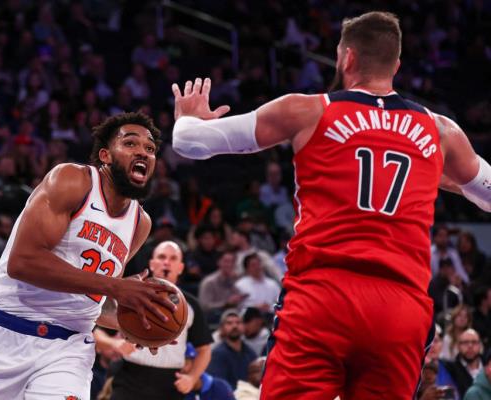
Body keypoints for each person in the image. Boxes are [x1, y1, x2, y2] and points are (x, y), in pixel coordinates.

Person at [171, 11, 491, 398]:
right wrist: (442, 178)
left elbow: (191, 144)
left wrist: (189, 118)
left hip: (323, 295)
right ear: (397, 64)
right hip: (400, 306)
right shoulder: (440, 130)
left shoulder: (308, 109)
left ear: (347, 58)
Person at [0, 112, 178, 400]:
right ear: (105, 155)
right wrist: (116, 286)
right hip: (3, 336)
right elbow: (23, 262)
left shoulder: (140, 223)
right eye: (131, 143)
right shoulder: (73, 181)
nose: (143, 153)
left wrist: (137, 323)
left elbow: (92, 300)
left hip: (67, 350)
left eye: (150, 149)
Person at [111, 241, 213, 400]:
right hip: (130, 377)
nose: (167, 262)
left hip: (170, 382)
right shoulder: (131, 295)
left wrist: (192, 378)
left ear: (180, 267)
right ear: (151, 264)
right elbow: (97, 332)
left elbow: (204, 350)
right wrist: (114, 343)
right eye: (162, 257)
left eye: (173, 258)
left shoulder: (190, 305)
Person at [207, 310, 257, 390]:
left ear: (244, 326)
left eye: (238, 322)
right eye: (229, 323)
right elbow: (219, 386)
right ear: (222, 329)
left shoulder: (250, 352)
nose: (234, 326)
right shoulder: (217, 354)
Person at [198, 250, 245, 325]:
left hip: (234, 318)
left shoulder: (236, 280)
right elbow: (204, 306)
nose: (229, 264)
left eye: (232, 262)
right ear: (219, 262)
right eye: (226, 261)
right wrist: (226, 303)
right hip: (214, 320)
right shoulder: (209, 282)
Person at [445, 329, 484, 398]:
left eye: (474, 342)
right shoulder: (450, 370)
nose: (470, 346)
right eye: (465, 342)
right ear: (458, 346)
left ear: (480, 345)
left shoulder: (487, 366)